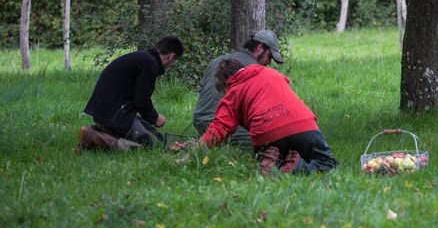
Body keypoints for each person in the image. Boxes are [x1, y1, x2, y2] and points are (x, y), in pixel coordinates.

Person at [195, 58, 337, 176]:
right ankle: (296, 166)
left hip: (266, 134)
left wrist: (192, 154)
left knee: (274, 161)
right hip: (303, 125)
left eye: (224, 90)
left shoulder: (233, 93)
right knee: (327, 163)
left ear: (228, 81)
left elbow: (219, 128)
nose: (225, 93)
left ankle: (277, 164)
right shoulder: (271, 73)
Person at [78, 35, 184, 152]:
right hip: (111, 114)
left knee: (158, 139)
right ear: (171, 56)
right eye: (174, 61)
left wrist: (152, 117)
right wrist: (155, 118)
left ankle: (103, 134)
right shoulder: (149, 63)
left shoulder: (144, 58)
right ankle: (92, 136)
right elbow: (141, 101)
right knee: (147, 146)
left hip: (111, 111)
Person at [192, 30, 284, 147]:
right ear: (260, 48)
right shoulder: (255, 70)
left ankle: (203, 141)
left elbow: (203, 92)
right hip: (219, 125)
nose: (269, 62)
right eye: (269, 56)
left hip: (199, 120)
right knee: (272, 141)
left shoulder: (217, 60)